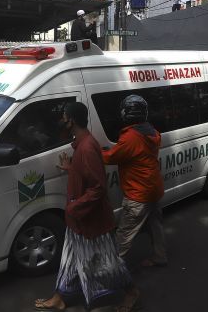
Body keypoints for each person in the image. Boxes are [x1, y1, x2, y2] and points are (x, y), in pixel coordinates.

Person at [34, 102, 138, 312]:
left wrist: (74, 208)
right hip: (79, 221)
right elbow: (86, 175)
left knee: (108, 263)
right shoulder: (82, 145)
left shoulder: (88, 147)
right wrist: (70, 168)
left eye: (64, 116)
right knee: (69, 260)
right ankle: (59, 297)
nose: (62, 120)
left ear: (71, 120)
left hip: (91, 222)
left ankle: (131, 292)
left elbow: (98, 188)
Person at [102, 95, 167, 267]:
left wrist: (95, 152)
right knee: (155, 226)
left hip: (138, 194)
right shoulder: (152, 131)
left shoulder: (131, 137)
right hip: (154, 188)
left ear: (126, 113)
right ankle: (160, 256)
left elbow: (111, 157)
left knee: (124, 233)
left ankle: (110, 269)